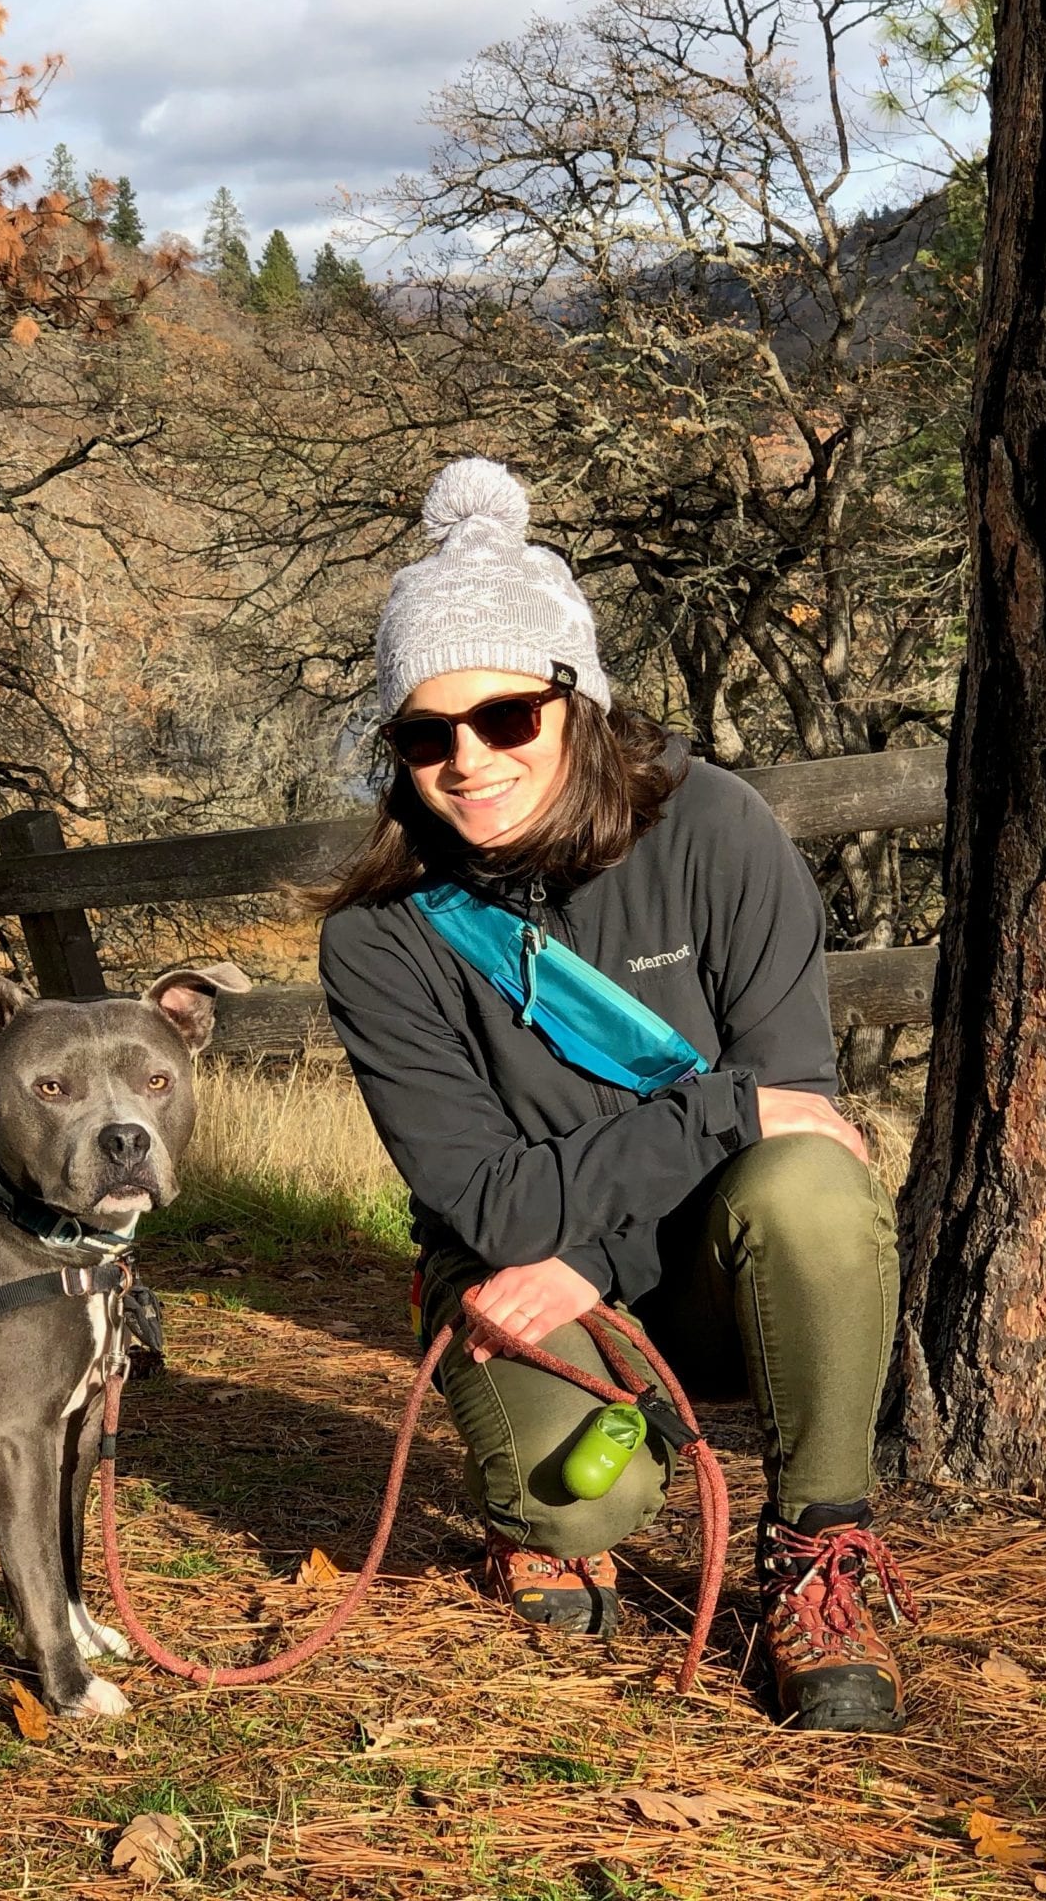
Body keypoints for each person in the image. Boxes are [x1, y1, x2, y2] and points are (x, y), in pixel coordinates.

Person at [315, 457, 906, 1732]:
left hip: (694, 1264)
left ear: (576, 705)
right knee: (582, 1504)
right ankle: (551, 1509)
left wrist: (590, 1239)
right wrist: (695, 1133)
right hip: (518, 1275)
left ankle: (820, 1555)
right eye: (425, 735)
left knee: (809, 1188)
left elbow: (797, 1113)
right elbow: (483, 1195)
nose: (466, 764)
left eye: (505, 719)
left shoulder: (716, 832)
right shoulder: (380, 938)